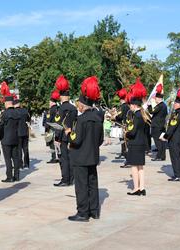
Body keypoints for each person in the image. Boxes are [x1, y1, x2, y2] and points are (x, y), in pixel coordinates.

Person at [66, 76, 103, 222]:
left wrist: (69, 134)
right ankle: (94, 211)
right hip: (93, 156)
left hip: (80, 157)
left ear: (82, 105)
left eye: (79, 104)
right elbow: (99, 140)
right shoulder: (98, 119)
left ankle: (83, 212)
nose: (78, 106)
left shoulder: (81, 120)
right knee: (92, 184)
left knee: (81, 186)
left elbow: (77, 139)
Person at [162, 84, 180, 181]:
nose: (174, 104)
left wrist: (165, 136)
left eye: (175, 103)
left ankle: (178, 175)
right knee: (178, 156)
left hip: (175, 138)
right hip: (179, 138)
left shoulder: (178, 113)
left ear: (179, 104)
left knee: (175, 157)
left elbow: (173, 126)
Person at [125, 78, 148, 196]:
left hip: (135, 143)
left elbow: (132, 132)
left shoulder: (136, 115)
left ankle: (136, 188)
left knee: (134, 167)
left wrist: (126, 133)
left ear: (134, 105)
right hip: (141, 143)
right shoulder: (142, 115)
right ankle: (142, 187)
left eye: (131, 105)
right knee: (140, 167)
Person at [53, 75, 77, 187]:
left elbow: (58, 124)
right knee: (71, 158)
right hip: (72, 135)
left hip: (63, 136)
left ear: (61, 97)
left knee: (64, 159)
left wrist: (57, 138)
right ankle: (72, 178)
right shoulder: (74, 108)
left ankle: (65, 179)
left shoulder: (60, 109)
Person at [0, 82, 20, 182]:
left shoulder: (4, 114)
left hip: (6, 139)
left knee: (8, 159)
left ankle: (9, 176)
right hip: (15, 138)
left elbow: (0, 126)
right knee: (15, 158)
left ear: (6, 103)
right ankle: (17, 176)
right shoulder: (17, 113)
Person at [148, 84, 168, 161]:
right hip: (161, 125)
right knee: (162, 141)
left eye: (155, 98)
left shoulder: (160, 105)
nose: (154, 99)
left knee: (157, 141)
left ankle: (159, 156)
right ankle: (162, 156)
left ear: (159, 98)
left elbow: (152, 111)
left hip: (157, 126)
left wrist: (149, 105)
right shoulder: (164, 105)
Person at [14, 97, 30, 169]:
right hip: (25, 132)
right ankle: (26, 163)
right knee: (25, 148)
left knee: (19, 149)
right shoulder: (25, 110)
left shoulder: (14, 112)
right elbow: (28, 120)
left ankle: (20, 164)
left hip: (18, 133)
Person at [115, 88, 130, 160]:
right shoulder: (127, 106)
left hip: (122, 124)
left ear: (121, 100)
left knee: (122, 140)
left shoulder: (122, 106)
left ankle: (123, 153)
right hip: (126, 124)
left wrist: (115, 117)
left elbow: (120, 116)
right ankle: (124, 152)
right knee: (125, 140)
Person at [45, 89, 60, 164]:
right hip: (58, 127)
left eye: (49, 102)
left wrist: (46, 129)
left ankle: (53, 157)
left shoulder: (51, 110)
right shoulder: (58, 108)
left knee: (51, 144)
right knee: (58, 143)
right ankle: (59, 156)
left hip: (51, 128)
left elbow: (48, 120)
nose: (49, 103)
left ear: (51, 102)